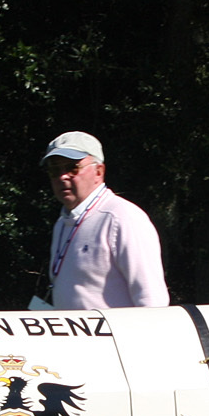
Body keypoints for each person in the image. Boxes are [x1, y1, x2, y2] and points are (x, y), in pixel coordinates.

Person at [40, 130, 168, 310]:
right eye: (54, 170)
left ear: (98, 171)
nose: (63, 176)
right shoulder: (62, 223)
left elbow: (152, 300)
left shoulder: (122, 217)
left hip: (117, 338)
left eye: (72, 167)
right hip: (73, 338)